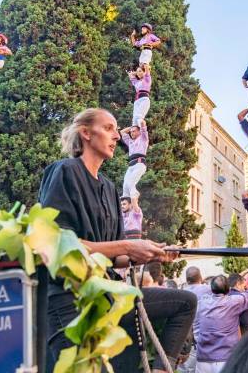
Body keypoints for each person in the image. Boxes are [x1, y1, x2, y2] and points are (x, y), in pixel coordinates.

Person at [38, 108, 195, 373]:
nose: (116, 135)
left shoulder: (110, 188)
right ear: (86, 133)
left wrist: (152, 252)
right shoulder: (64, 171)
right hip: (71, 300)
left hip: (109, 293)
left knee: (185, 302)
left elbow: (115, 255)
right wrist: (129, 247)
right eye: (109, 128)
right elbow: (57, 243)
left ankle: (161, 369)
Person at [195, 275, 248, 373]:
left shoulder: (202, 303)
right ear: (228, 290)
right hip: (225, 359)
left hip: (202, 359)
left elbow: (196, 326)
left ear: (212, 289)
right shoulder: (234, 302)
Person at [179, 266, 211, 373]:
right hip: (206, 336)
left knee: (186, 368)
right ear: (200, 277)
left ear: (187, 279)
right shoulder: (209, 289)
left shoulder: (181, 293)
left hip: (186, 337)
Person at [120, 119, 149, 199]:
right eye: (131, 132)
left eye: (134, 131)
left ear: (139, 132)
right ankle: (125, 203)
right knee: (125, 186)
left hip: (139, 164)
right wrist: (132, 127)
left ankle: (135, 198)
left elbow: (143, 125)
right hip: (131, 166)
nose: (132, 133)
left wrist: (139, 122)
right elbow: (122, 132)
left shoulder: (143, 139)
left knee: (130, 184)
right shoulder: (130, 142)